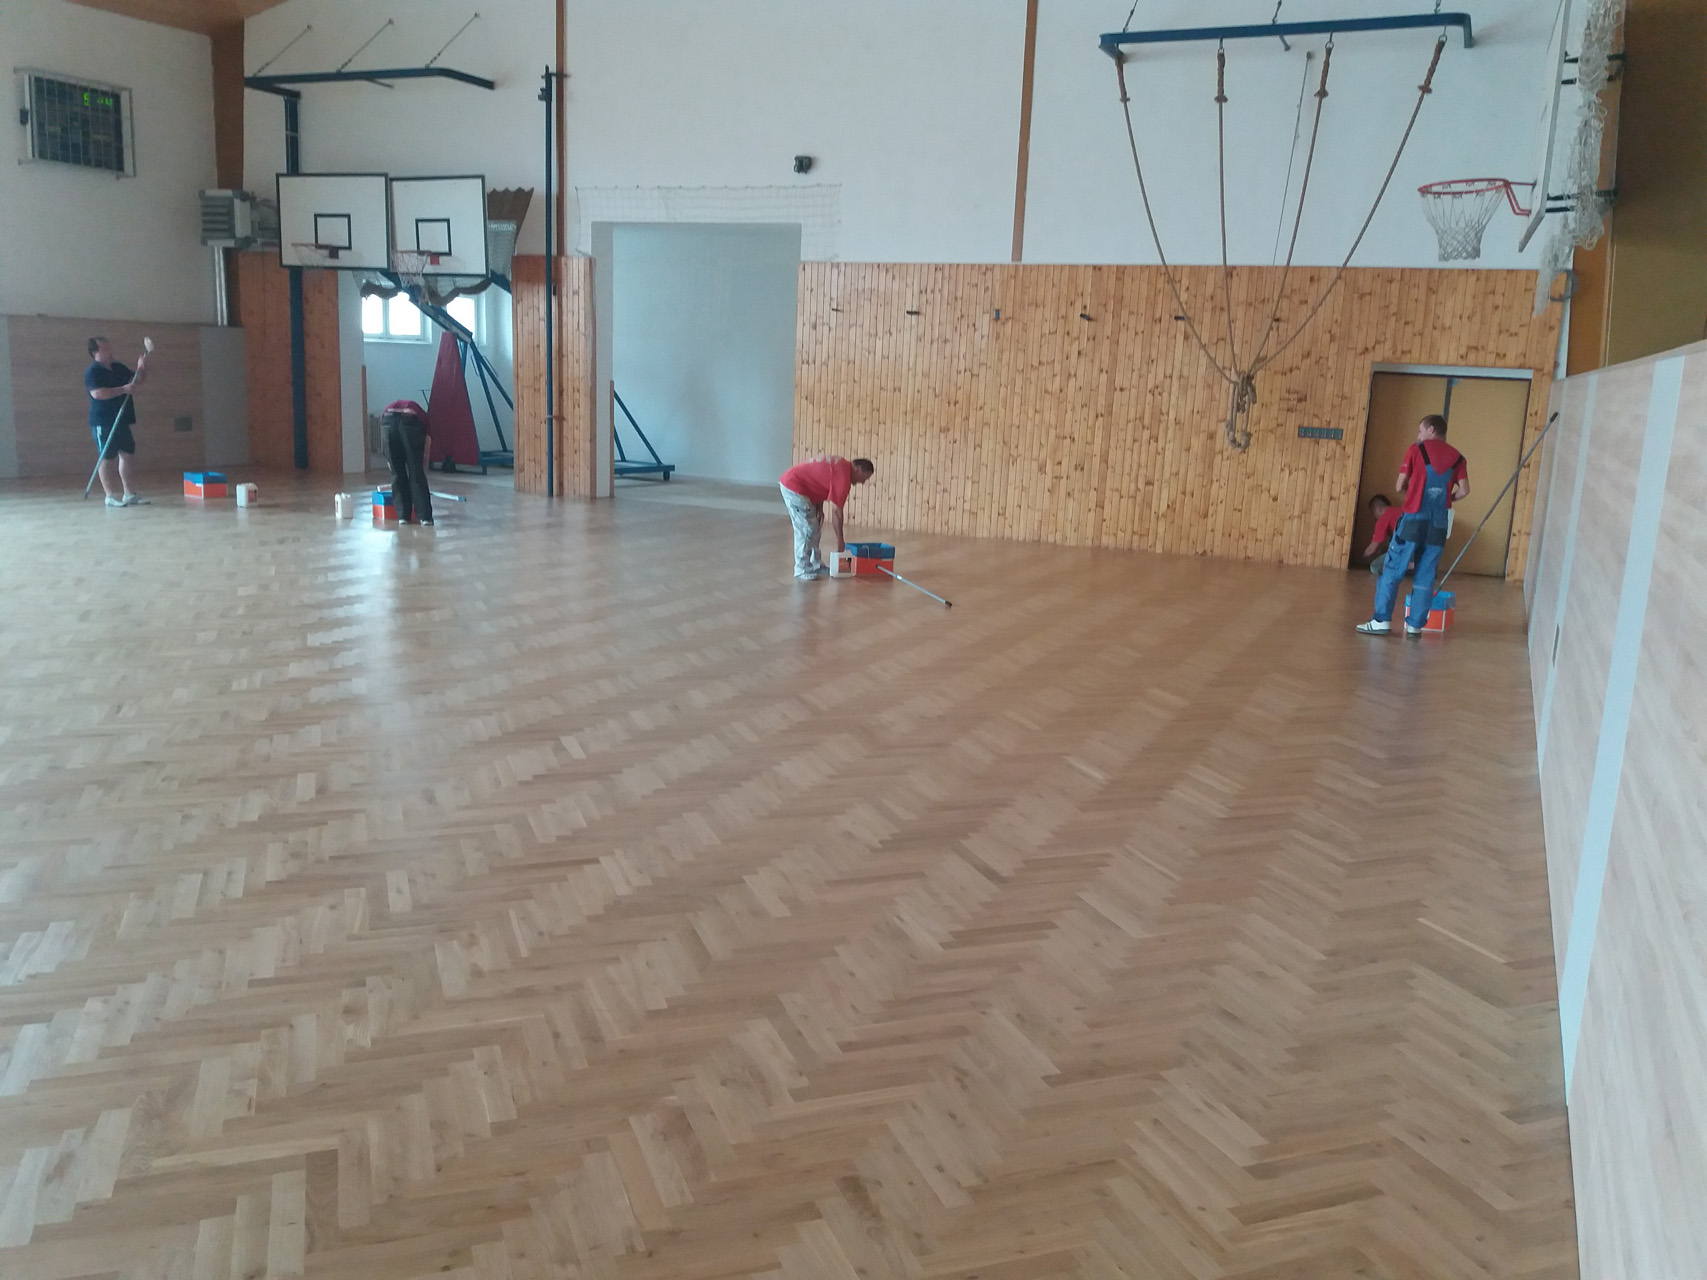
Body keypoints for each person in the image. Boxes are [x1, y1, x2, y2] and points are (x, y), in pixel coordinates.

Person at [1357, 414, 1469, 636]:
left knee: (1392, 570)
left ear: (1431, 430)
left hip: (1413, 519)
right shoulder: (1458, 458)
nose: (1418, 435)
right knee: (1425, 576)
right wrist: (1446, 499)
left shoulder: (1415, 450)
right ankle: (1416, 625)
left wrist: (1414, 494)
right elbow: (1464, 490)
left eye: (1420, 430)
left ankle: (1381, 620)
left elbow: (1399, 485)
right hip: (1438, 524)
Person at [778, 454, 874, 579]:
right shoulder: (843, 478)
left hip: (800, 486)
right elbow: (836, 512)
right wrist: (840, 541)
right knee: (806, 529)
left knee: (815, 528)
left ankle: (815, 564)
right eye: (864, 478)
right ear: (858, 470)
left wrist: (819, 508)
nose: (863, 482)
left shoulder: (841, 465)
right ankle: (801, 568)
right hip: (793, 487)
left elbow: (820, 483)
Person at [85, 336, 149, 507]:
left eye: (109, 348)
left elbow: (136, 380)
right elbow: (97, 394)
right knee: (106, 457)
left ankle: (129, 494)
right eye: (105, 349)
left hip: (122, 419)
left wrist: (141, 368)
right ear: (95, 353)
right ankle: (110, 496)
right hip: (103, 420)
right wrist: (122, 390)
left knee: (127, 454)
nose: (110, 351)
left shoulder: (118, 367)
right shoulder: (93, 372)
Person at [381, 399, 434, 525]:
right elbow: (427, 446)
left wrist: (389, 460)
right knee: (416, 473)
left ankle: (403, 516)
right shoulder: (425, 419)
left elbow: (384, 441)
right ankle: (425, 518)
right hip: (410, 421)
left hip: (387, 420)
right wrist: (423, 465)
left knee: (396, 473)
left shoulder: (388, 408)